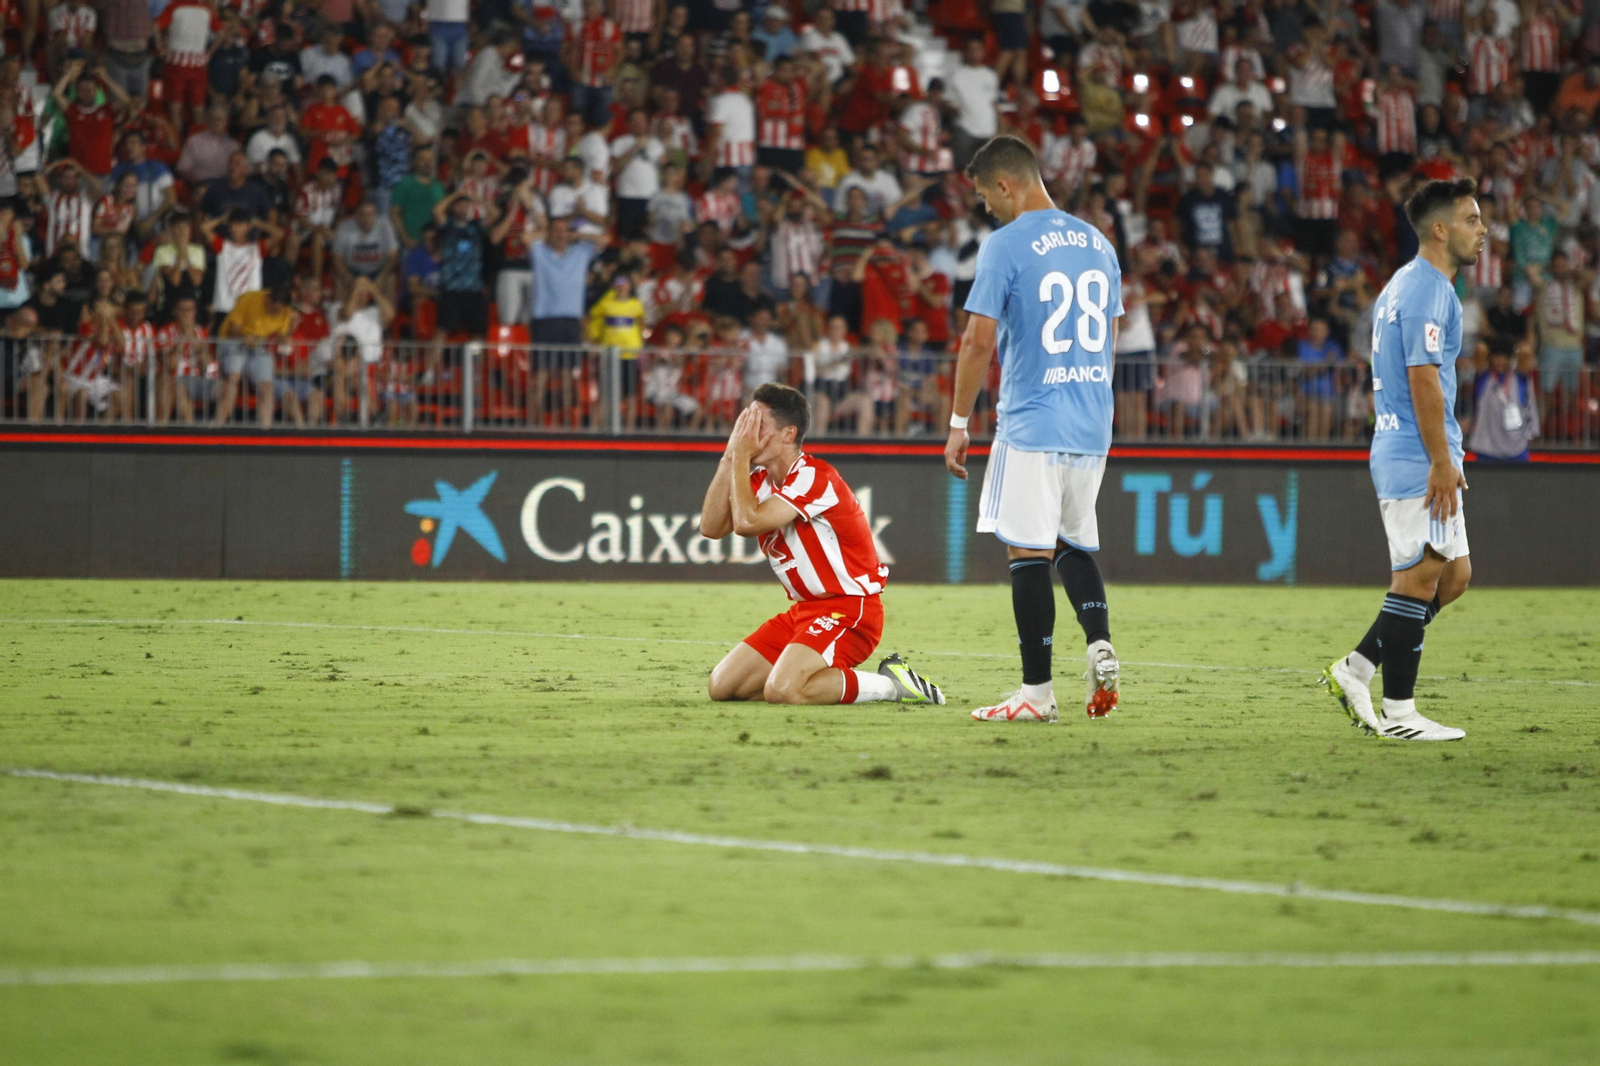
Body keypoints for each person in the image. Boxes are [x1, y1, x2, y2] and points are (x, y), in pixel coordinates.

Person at [943, 134, 1124, 723]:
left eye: (983, 195)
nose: (984, 208)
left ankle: (1037, 695)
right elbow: (1112, 338)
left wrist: (957, 422)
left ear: (1006, 184)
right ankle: (1099, 643)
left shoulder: (1005, 244)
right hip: (1092, 421)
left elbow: (977, 342)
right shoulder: (1098, 242)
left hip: (1033, 420)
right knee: (1074, 541)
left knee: (1028, 551)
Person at [1321, 178, 1485, 742]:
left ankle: (1358, 668)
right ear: (1440, 229)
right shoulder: (1425, 291)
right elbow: (1422, 380)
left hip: (1422, 449)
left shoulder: (1407, 285)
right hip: (1417, 454)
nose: (1482, 231)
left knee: (1453, 575)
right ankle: (1400, 713)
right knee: (1417, 579)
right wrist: (1441, 460)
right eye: (1471, 219)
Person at [701, 383, 943, 707]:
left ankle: (890, 684)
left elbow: (747, 523)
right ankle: (807, 677)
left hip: (850, 609)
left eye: (757, 426)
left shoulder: (815, 476)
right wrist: (730, 456)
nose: (747, 434)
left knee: (784, 690)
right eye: (744, 425)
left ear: (788, 434)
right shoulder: (758, 482)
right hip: (804, 611)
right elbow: (711, 527)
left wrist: (742, 455)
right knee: (722, 686)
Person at [216, 280, 297, 426]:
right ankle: (216, 429)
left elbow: (280, 337)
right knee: (233, 379)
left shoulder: (286, 311)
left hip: (259, 349)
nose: (275, 313)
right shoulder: (250, 298)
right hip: (234, 343)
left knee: (267, 387)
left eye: (278, 311)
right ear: (268, 298)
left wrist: (288, 333)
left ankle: (265, 433)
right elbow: (232, 329)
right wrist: (246, 338)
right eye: (273, 309)